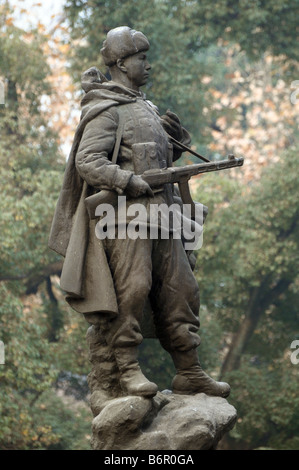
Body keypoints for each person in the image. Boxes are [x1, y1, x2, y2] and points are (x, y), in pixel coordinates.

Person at [49, 26, 230, 399]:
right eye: (140, 58)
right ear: (120, 62)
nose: (147, 65)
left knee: (183, 290)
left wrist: (173, 146)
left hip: (165, 216)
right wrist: (127, 181)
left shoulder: (144, 106)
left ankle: (189, 370)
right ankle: (127, 370)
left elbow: (151, 158)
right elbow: (88, 161)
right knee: (132, 291)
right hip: (126, 220)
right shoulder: (106, 110)